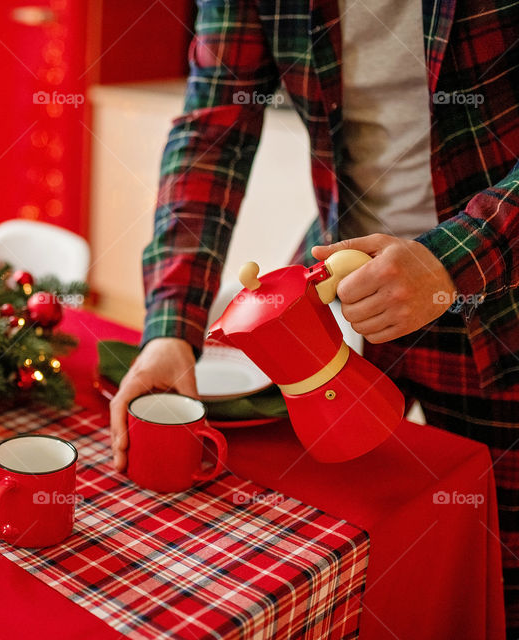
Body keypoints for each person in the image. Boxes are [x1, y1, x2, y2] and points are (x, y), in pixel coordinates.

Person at [107, 0, 519, 633]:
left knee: (498, 572)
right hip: (336, 302)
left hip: (502, 303)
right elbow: (212, 132)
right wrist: (171, 329)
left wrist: (449, 262)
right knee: (334, 549)